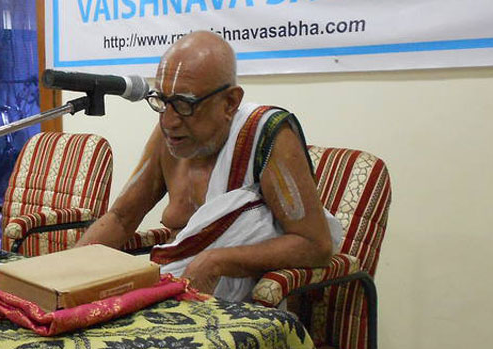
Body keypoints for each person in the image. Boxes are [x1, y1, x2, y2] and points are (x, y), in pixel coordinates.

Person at [75, 31, 343, 303]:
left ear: (230, 102)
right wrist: (65, 274)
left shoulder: (265, 137)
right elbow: (121, 218)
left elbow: (315, 245)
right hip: (173, 291)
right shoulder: (170, 136)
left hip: (249, 308)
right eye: (162, 101)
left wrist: (217, 261)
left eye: (184, 104)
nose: (168, 121)